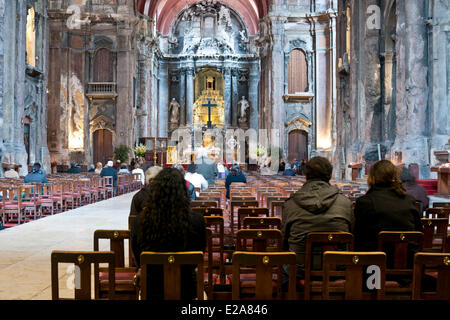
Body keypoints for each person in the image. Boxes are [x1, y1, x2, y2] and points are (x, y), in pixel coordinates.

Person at [130, 168, 206, 300]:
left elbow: (138, 258)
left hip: (152, 291)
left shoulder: (138, 222)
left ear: (155, 191)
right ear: (183, 192)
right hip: (187, 291)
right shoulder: (197, 221)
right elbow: (199, 255)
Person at [281, 156, 354, 280]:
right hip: (337, 269)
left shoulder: (291, 204)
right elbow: (352, 236)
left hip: (299, 271)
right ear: (329, 175)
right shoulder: (346, 204)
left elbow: (284, 242)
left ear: (306, 174)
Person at [354, 160, 423, 285]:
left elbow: (358, 238)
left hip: (373, 272)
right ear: (395, 177)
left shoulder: (364, 202)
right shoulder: (410, 201)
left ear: (372, 178)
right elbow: (419, 235)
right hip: (409, 271)